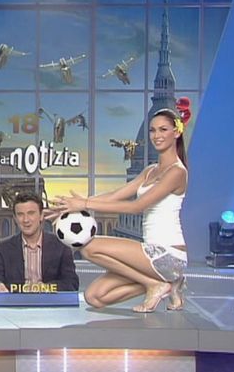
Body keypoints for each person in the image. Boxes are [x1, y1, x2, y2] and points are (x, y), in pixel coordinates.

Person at [47, 105, 191, 313]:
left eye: (163, 130)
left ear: (176, 132)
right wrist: (72, 206)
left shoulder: (177, 172)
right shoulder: (150, 171)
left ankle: (155, 284)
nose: (156, 135)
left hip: (168, 255)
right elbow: (115, 195)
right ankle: (166, 283)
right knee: (94, 296)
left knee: (88, 247)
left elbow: (137, 206)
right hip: (149, 254)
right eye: (152, 130)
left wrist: (85, 204)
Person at [0, 191, 79, 294]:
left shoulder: (61, 245)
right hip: (16, 302)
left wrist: (45, 288)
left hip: (49, 301)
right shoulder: (4, 247)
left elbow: (71, 283)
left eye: (31, 213)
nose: (26, 220)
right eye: (20, 214)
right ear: (15, 218)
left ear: (41, 215)